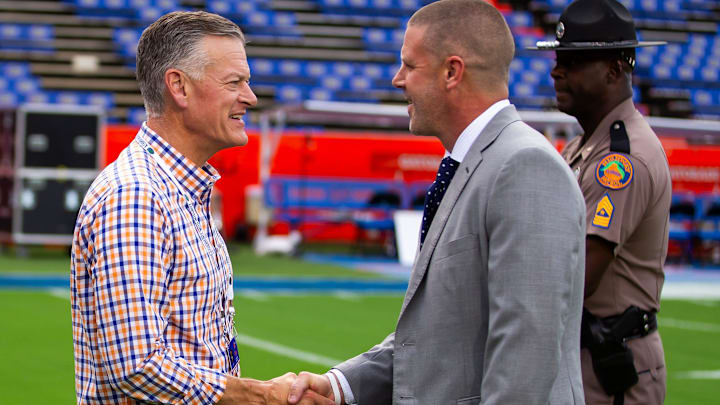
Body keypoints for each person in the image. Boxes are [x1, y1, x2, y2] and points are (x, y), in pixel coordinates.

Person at [288, 0, 587, 404]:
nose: (397, 80)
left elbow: (525, 354)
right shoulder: (472, 163)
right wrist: (342, 386)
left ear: (452, 72)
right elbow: (438, 334)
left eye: (410, 66)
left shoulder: (524, 166)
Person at [70, 11, 331, 405]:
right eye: (234, 82)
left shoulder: (180, 190)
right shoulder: (137, 196)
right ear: (178, 86)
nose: (250, 96)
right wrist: (262, 396)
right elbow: (135, 365)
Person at [529, 0, 670, 404]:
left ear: (614, 70)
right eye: (558, 58)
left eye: (573, 61)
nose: (557, 69)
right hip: (587, 355)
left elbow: (576, 278)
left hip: (609, 367)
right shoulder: (585, 146)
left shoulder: (621, 161)